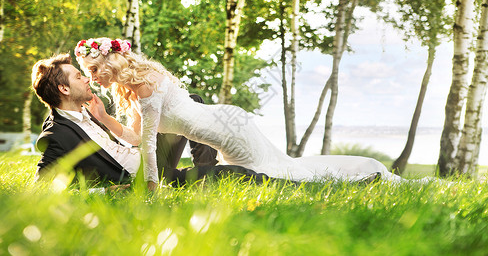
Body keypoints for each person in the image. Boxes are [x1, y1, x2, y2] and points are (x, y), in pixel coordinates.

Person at [75, 37, 402, 189]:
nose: (91, 78)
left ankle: (365, 178)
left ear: (109, 62)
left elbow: (147, 144)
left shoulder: (145, 87)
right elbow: (135, 136)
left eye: (91, 69)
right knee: (277, 169)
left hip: (230, 129)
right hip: (226, 124)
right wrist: (105, 119)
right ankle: (365, 173)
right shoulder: (135, 88)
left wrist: (150, 186)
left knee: (276, 175)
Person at [31, 53, 270, 190]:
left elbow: (132, 139)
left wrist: (104, 118)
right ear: (63, 88)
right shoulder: (56, 136)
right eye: (79, 76)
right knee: (235, 174)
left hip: (144, 156)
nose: (87, 80)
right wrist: (107, 192)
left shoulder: (92, 110)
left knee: (190, 102)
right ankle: (268, 180)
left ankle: (205, 164)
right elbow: (42, 188)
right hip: (144, 177)